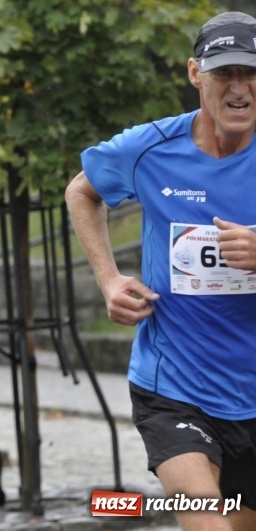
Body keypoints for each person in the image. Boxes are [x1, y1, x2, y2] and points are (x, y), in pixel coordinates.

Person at [65, 11, 256, 531]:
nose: (240, 88)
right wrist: (109, 278)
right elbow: (82, 191)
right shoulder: (150, 148)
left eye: (251, 74)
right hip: (175, 385)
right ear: (196, 74)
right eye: (225, 74)